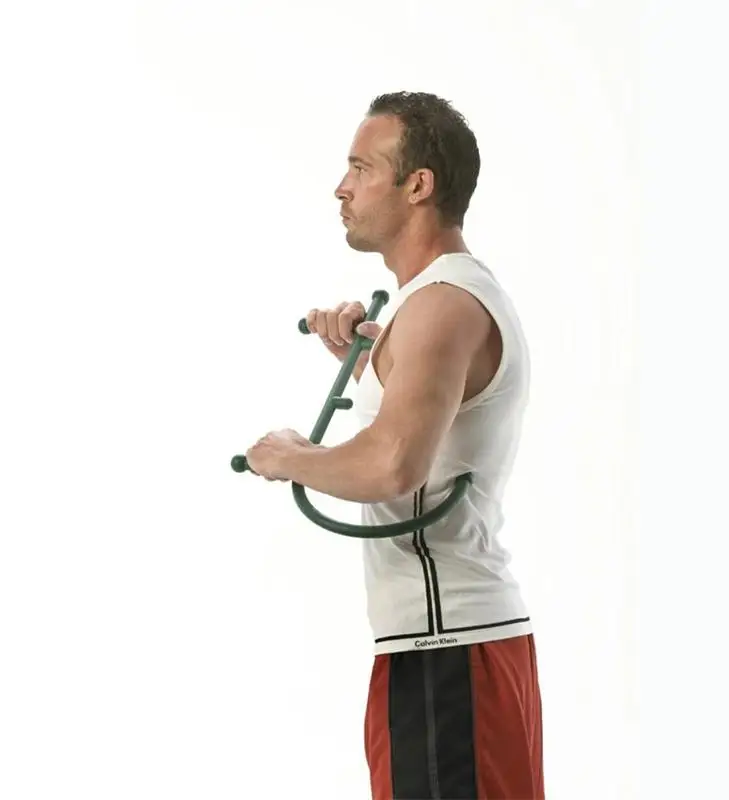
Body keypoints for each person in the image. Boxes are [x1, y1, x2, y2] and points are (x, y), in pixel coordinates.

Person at [245, 91, 545, 799]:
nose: (341, 187)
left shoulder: (443, 304)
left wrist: (287, 454)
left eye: (361, 168)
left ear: (418, 185)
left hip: (449, 652)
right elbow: (427, 432)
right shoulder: (434, 300)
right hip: (444, 647)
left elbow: (393, 463)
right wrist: (372, 363)